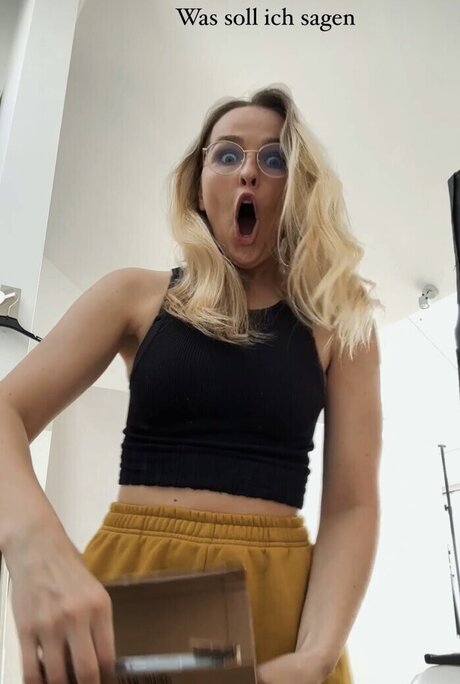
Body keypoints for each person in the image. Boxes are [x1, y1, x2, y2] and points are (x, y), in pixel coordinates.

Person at [0, 84, 383, 684]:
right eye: (227, 155)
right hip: (134, 593)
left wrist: (315, 656)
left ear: (298, 189)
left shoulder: (339, 322)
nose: (249, 171)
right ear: (198, 188)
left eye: (274, 158)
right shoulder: (134, 295)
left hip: (282, 614)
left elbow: (352, 504)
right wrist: (30, 542)